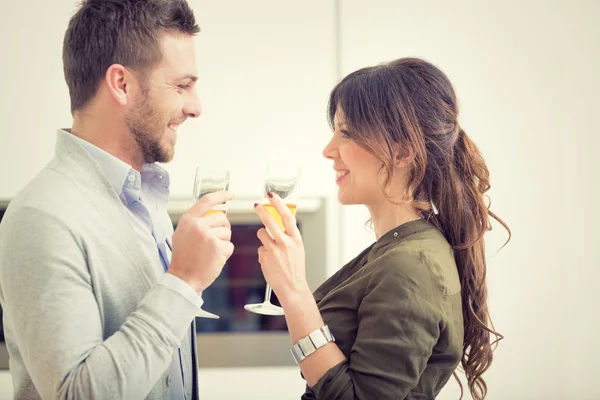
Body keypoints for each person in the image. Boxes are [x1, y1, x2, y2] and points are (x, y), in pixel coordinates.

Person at [0, 0, 234, 399]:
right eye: (181, 85)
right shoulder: (41, 218)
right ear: (121, 84)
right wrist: (184, 279)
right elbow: (77, 393)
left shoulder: (147, 200)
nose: (195, 107)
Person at [253, 57, 510, 400]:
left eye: (345, 132)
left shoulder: (412, 265)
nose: (328, 150)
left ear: (403, 152)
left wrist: (293, 290)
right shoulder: (398, 249)